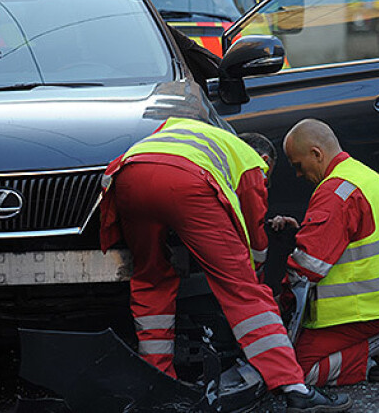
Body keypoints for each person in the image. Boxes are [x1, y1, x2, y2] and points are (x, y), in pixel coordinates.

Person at [100, 116, 352, 412]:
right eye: (267, 179)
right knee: (242, 291)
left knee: (151, 281)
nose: (264, 184)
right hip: (187, 183)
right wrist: (256, 275)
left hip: (128, 175)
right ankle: (293, 388)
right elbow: (255, 235)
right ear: (265, 160)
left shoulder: (183, 129)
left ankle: (159, 383)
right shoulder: (249, 161)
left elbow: (159, 165)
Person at [272, 118, 379, 387]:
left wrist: (281, 305)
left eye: (298, 166)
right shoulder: (366, 177)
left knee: (295, 374)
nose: (298, 175)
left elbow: (308, 267)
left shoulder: (335, 192)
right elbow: (353, 237)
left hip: (358, 312)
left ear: (316, 154)